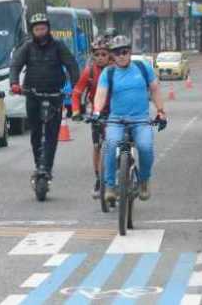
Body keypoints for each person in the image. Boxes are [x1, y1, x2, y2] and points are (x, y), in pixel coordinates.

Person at [92, 35, 166, 201]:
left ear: (130, 52)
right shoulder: (108, 72)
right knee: (111, 144)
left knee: (145, 146)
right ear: (113, 55)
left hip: (141, 120)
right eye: (117, 53)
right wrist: (96, 112)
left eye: (124, 52)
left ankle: (144, 180)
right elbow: (101, 94)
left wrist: (161, 111)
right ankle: (110, 186)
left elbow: (155, 89)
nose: (121, 56)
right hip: (116, 120)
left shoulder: (142, 67)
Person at [10, 13, 80, 182]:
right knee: (35, 132)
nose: (40, 32)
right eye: (37, 29)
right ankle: (38, 165)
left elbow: (71, 65)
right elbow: (16, 65)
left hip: (55, 94)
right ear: (32, 31)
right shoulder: (27, 48)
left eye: (43, 28)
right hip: (32, 94)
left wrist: (75, 87)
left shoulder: (58, 46)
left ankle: (46, 168)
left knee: (51, 134)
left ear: (48, 29)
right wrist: (14, 83)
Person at [71, 36, 111, 199]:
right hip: (97, 112)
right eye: (97, 55)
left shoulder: (116, 70)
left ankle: (125, 167)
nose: (101, 58)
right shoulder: (89, 71)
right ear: (93, 56)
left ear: (110, 56)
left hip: (116, 111)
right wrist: (75, 111)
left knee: (122, 143)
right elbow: (77, 93)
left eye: (104, 54)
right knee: (97, 146)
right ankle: (98, 179)